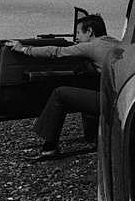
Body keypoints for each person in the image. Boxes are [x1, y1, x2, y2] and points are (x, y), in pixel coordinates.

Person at [7, 14, 121, 161]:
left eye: (79, 33)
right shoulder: (117, 43)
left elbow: (56, 52)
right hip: (123, 101)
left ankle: (49, 148)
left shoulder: (92, 46)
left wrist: (23, 49)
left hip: (112, 105)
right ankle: (95, 139)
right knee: (87, 83)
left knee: (60, 94)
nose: (77, 37)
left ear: (90, 31)